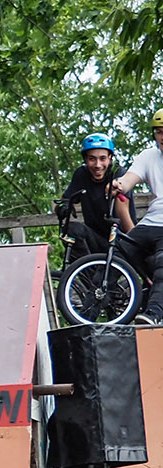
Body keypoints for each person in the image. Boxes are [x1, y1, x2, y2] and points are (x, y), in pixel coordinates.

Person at [111, 109, 163, 322]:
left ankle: (153, 313)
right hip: (150, 223)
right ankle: (90, 310)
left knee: (162, 264)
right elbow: (129, 179)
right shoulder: (148, 156)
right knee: (116, 254)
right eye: (159, 132)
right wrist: (118, 185)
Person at [58, 132, 132, 260]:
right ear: (85, 159)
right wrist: (63, 206)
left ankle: (98, 277)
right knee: (71, 229)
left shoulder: (119, 174)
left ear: (110, 158)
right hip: (94, 239)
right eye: (92, 159)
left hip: (121, 241)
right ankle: (88, 275)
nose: (98, 165)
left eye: (103, 159)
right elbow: (64, 199)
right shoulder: (81, 174)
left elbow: (128, 226)